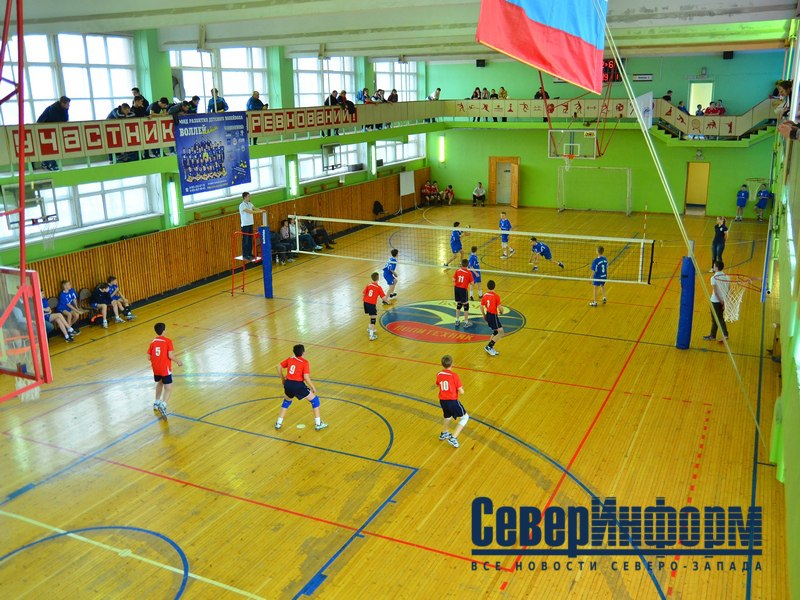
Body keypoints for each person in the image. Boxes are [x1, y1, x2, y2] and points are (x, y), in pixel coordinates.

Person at [275, 344, 328, 431]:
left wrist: (283, 379)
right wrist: (313, 387)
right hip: (298, 385)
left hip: (288, 384)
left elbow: (278, 366)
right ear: (303, 353)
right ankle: (318, 424)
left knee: (286, 401)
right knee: (315, 401)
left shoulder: (290, 359)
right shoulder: (305, 362)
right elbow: (306, 377)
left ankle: (278, 423)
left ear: (294, 352)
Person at [147, 322, 183, 420]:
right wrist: (178, 361)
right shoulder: (168, 341)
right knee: (169, 388)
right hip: (164, 368)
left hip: (156, 368)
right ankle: (163, 405)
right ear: (164, 330)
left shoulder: (153, 342)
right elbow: (170, 356)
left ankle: (156, 402)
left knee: (160, 382)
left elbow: (148, 357)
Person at [436, 354, 469, 448]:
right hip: (452, 401)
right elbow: (461, 392)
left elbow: (438, 384)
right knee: (465, 418)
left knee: (447, 415)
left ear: (442, 364)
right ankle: (453, 438)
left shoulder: (439, 374)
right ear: (452, 364)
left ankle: (444, 433)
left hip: (442, 400)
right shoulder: (454, 376)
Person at [36, 96, 70, 171]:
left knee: (51, 147)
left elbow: (65, 119)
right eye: (67, 104)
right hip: (45, 129)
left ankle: (45, 162)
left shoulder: (63, 109)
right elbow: (55, 121)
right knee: (50, 147)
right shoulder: (53, 109)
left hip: (50, 130)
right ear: (62, 103)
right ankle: (51, 163)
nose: (69, 106)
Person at [703, 261, 730, 342]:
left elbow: (716, 292)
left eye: (714, 266)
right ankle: (712, 335)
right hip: (723, 300)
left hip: (715, 301)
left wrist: (721, 301)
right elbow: (728, 289)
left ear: (717, 268)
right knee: (716, 319)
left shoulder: (713, 278)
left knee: (719, 318)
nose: (713, 267)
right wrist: (724, 301)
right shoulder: (727, 277)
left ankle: (725, 334)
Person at [480, 280, 504, 356]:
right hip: (493, 316)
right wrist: (502, 311)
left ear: (487, 287)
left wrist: (484, 315)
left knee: (496, 331)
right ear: (494, 286)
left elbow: (481, 306)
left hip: (488, 315)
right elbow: (500, 308)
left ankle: (491, 348)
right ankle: (489, 346)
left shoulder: (485, 295)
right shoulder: (496, 296)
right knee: (501, 332)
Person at [239, 192, 264, 260]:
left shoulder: (250, 203)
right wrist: (259, 212)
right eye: (248, 196)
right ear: (245, 197)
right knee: (245, 240)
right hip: (245, 225)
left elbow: (254, 208)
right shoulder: (242, 205)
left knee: (250, 240)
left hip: (250, 224)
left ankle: (249, 254)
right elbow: (250, 212)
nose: (250, 197)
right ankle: (245, 254)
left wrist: (261, 210)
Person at [363, 272, 386, 341]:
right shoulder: (379, 287)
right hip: (371, 304)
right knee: (373, 318)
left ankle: (370, 328)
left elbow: (363, 294)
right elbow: (383, 298)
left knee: (371, 315)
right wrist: (388, 301)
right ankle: (371, 335)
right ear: (378, 279)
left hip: (365, 302)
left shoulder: (368, 285)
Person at [453, 259, 474, 329]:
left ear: (461, 264)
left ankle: (457, 320)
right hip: (463, 290)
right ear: (467, 265)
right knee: (466, 305)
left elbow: (453, 279)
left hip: (456, 289)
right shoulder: (469, 273)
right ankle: (466, 322)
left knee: (459, 304)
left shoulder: (457, 271)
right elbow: (472, 283)